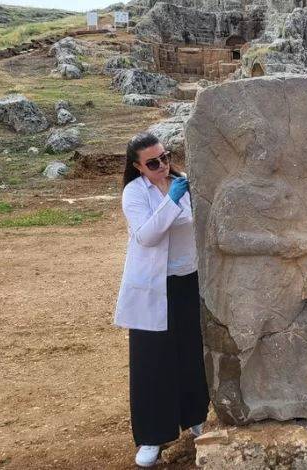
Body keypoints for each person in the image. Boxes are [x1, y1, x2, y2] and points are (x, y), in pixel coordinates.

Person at [114, 133, 210, 467]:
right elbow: (147, 235)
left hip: (188, 281)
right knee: (153, 361)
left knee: (191, 353)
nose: (162, 166)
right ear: (138, 167)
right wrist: (171, 201)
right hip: (154, 287)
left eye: (165, 157)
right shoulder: (134, 193)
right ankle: (152, 437)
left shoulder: (181, 183)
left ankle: (196, 417)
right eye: (153, 162)